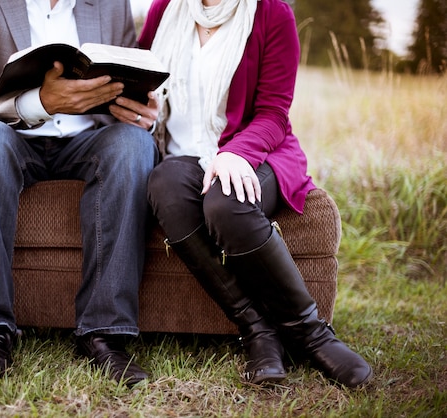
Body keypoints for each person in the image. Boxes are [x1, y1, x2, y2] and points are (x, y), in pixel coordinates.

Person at [0, 0, 159, 385]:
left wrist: (138, 106)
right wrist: (39, 103)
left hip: (90, 138)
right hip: (9, 135)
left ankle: (105, 333)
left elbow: (127, 78)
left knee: (134, 145)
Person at [138, 0, 372, 388]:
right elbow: (139, 82)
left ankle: (310, 333)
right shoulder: (164, 10)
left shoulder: (271, 12)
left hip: (256, 151)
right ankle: (258, 331)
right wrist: (133, 108)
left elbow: (274, 111)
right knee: (164, 185)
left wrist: (235, 153)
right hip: (182, 157)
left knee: (226, 202)